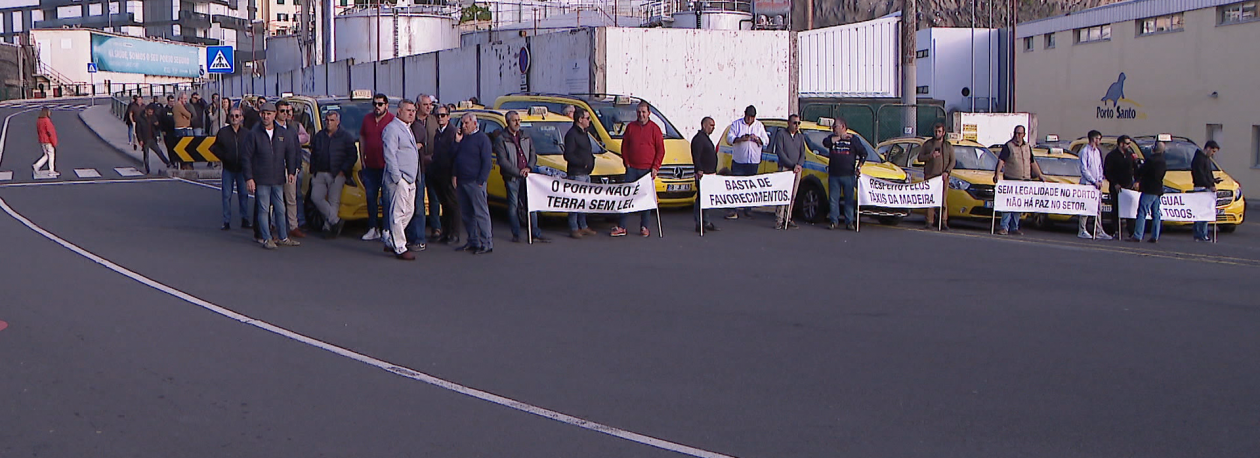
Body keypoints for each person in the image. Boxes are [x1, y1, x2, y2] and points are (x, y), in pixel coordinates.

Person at [241, 102, 301, 250]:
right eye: (263, 113)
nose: (266, 116)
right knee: (264, 209)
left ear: (274, 114)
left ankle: (283, 237)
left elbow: (290, 152)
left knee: (281, 209)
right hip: (261, 179)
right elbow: (246, 157)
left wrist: (291, 171)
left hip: (278, 178)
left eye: (269, 113)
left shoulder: (283, 133)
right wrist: (249, 178)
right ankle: (266, 238)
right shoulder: (254, 134)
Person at [611, 101, 665, 237]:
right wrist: (627, 162)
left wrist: (655, 167)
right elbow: (625, 146)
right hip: (632, 169)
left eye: (643, 112)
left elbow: (660, 150)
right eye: (639, 112)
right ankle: (622, 226)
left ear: (649, 113)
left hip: (647, 170)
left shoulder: (655, 129)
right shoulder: (631, 127)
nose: (641, 115)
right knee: (626, 198)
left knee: (645, 200)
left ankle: (644, 226)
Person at [495, 110, 550, 243]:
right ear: (508, 122)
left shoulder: (525, 136)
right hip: (512, 177)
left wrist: (528, 168)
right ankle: (516, 234)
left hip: (527, 176)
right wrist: (518, 171)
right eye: (515, 120)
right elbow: (503, 161)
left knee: (531, 205)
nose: (518, 123)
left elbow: (532, 154)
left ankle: (535, 232)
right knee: (513, 206)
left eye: (519, 120)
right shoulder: (502, 139)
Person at [382, 100, 422, 260]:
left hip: (410, 178)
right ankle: (399, 246)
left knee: (409, 211)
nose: (411, 113)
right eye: (408, 110)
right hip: (400, 178)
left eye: (413, 110)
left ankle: (390, 238)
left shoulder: (407, 128)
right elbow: (389, 154)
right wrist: (397, 178)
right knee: (398, 213)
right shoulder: (392, 129)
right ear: (399, 111)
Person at [309, 110, 356, 239]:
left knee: (333, 201)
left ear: (338, 122)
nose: (329, 123)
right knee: (316, 197)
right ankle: (335, 221)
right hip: (319, 173)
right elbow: (313, 152)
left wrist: (343, 170)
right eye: (327, 120)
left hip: (336, 173)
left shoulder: (346, 137)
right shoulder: (319, 136)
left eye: (332, 120)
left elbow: (352, 156)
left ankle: (328, 228)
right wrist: (313, 169)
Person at [452, 113, 494, 254]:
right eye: (462, 123)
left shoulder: (482, 139)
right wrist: (455, 175)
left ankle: (486, 242)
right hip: (462, 181)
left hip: (475, 182)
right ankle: (472, 241)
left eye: (466, 123)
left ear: (474, 124)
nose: (463, 126)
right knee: (467, 214)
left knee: (480, 213)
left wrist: (481, 180)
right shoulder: (462, 139)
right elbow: (455, 157)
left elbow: (487, 162)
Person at [993, 125, 1046, 235]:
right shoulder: (1008, 146)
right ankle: (1004, 227)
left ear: (1024, 135)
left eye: (1020, 133)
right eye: (1016, 133)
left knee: (1018, 205)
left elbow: (1032, 162)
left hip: (1024, 181)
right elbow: (1001, 161)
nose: (1017, 136)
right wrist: (997, 174)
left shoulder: (1027, 147)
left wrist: (1040, 175)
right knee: (1008, 204)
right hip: (1011, 179)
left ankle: (1014, 227)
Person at [358, 93, 395, 241]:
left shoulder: (392, 120)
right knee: (370, 198)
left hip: (386, 166)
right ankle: (373, 228)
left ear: (386, 105)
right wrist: (362, 158)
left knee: (386, 199)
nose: (377, 107)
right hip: (370, 165)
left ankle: (386, 228)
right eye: (375, 104)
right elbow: (362, 137)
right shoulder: (367, 119)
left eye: (380, 104)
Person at [405, 94, 440, 250]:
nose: (428, 107)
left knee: (432, 199)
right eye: (425, 104)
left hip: (432, 166)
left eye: (430, 104)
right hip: (416, 168)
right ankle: (413, 236)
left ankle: (433, 230)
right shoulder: (410, 125)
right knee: (413, 204)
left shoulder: (433, 121)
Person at [724, 105, 768, 220]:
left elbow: (766, 140)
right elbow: (729, 138)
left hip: (753, 161)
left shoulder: (759, 126)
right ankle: (733, 209)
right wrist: (740, 138)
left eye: (752, 117)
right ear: (745, 114)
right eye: (748, 117)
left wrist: (757, 139)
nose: (749, 119)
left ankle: (747, 209)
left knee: (750, 186)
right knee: (736, 185)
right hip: (739, 160)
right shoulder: (737, 124)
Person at [822, 118, 865, 230]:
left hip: (848, 174)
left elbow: (863, 153)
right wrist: (839, 137)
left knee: (849, 199)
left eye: (836, 126)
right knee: (833, 199)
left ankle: (849, 221)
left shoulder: (853, 139)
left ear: (843, 127)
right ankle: (833, 221)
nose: (833, 128)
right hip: (834, 174)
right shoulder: (832, 138)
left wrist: (859, 166)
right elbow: (826, 143)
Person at [212, 107, 251, 231]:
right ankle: (226, 221)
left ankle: (245, 219)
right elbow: (214, 148)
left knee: (244, 194)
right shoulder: (223, 132)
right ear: (229, 118)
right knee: (226, 195)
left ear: (241, 118)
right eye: (232, 116)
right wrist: (225, 157)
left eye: (237, 116)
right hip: (228, 168)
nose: (234, 118)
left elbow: (251, 150)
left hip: (242, 169)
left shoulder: (247, 133)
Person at [275, 100, 309, 238]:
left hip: (289, 169)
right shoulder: (271, 128)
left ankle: (293, 226)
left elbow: (296, 149)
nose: (285, 114)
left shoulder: (292, 129)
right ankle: (272, 225)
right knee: (274, 199)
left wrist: (296, 167)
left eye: (287, 111)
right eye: (282, 111)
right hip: (274, 169)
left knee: (291, 198)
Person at [429, 105, 462, 245]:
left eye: (443, 115)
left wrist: (454, 175)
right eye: (438, 115)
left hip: (449, 174)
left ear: (448, 117)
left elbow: (456, 156)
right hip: (438, 174)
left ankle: (454, 234)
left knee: (453, 205)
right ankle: (446, 232)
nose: (440, 118)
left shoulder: (453, 132)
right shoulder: (438, 132)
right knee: (444, 205)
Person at [564, 108, 597, 239]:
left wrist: (590, 161)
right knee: (575, 201)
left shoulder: (584, 133)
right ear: (580, 119)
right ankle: (574, 227)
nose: (589, 121)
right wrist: (582, 163)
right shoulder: (572, 135)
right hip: (577, 173)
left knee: (583, 201)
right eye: (587, 118)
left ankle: (583, 225)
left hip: (586, 172)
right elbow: (568, 154)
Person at [772, 114, 807, 229]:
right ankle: (779, 218)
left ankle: (788, 217)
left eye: (798, 123)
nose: (796, 126)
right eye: (794, 123)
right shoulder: (781, 135)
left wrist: (798, 165)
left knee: (792, 194)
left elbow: (803, 153)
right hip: (785, 168)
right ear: (789, 123)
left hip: (796, 169)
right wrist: (791, 165)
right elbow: (780, 152)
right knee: (783, 194)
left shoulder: (800, 137)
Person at [1078, 130, 1113, 240]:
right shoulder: (1084, 152)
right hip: (1087, 184)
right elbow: (1084, 169)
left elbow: (1099, 168)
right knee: (1086, 208)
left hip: (1096, 186)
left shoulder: (1097, 152)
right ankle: (1082, 230)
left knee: (1098, 208)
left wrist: (1100, 179)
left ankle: (1098, 230)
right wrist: (1093, 180)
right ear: (1093, 139)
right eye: (1098, 138)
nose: (1099, 141)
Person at [1129, 141, 1168, 243]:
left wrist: (1137, 161)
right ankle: (1155, 236)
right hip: (1158, 189)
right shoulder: (1163, 161)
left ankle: (1138, 235)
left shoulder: (1151, 160)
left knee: (1142, 212)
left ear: (1154, 149)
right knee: (1156, 213)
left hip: (1149, 189)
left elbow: (1141, 171)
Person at [918, 123, 954, 230]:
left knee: (943, 200)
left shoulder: (948, 146)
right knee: (930, 199)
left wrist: (946, 172)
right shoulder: (928, 144)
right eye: (935, 131)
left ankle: (943, 221)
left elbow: (953, 161)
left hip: (943, 176)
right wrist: (930, 156)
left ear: (943, 133)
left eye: (939, 131)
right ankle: (929, 221)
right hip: (930, 175)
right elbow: (920, 157)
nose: (937, 133)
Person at [1103, 135, 1139, 239]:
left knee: (1130, 209)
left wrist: (1137, 181)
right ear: (1121, 144)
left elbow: (1135, 169)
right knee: (1116, 209)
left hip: (1128, 186)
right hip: (1116, 187)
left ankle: (1131, 231)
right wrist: (1115, 183)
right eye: (1127, 143)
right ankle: (1115, 230)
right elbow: (1107, 171)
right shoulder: (1112, 156)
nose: (1128, 145)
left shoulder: (1129, 155)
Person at [692, 116, 719, 233]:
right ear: (704, 125)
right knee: (701, 199)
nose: (713, 128)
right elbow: (696, 157)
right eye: (711, 125)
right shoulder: (698, 139)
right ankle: (699, 222)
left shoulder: (706, 139)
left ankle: (706, 221)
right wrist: (699, 169)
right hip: (703, 174)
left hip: (710, 174)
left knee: (706, 199)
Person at [1191, 140, 1221, 242]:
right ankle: (1199, 234)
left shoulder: (1206, 159)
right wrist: (1209, 184)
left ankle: (1203, 234)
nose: (1213, 154)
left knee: (1205, 212)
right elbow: (1200, 175)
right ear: (1208, 148)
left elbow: (1208, 174)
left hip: (1206, 187)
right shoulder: (1199, 159)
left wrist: (1213, 182)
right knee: (1201, 212)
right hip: (1200, 187)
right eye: (1213, 151)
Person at [136, 105, 171, 175]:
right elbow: (138, 131)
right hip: (145, 139)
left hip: (152, 138)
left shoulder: (153, 117)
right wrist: (140, 140)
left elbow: (157, 127)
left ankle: (168, 163)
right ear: (146, 111)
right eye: (149, 112)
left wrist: (157, 125)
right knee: (146, 155)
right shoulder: (140, 119)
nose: (151, 114)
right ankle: (147, 169)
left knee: (159, 152)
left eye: (152, 112)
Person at [32, 107, 59, 178]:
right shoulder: (47, 121)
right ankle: (51, 171)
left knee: (46, 155)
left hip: (42, 140)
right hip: (48, 140)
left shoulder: (39, 120)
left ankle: (37, 165)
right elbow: (50, 132)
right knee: (51, 155)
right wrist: (54, 141)